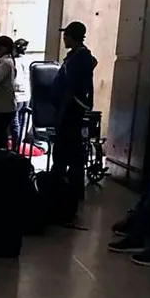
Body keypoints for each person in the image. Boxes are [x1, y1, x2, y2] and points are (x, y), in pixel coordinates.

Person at [51, 21, 98, 202]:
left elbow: (71, 88)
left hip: (71, 110)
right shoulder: (78, 55)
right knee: (70, 150)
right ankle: (64, 186)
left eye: (66, 36)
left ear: (71, 36)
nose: (64, 39)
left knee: (65, 151)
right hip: (69, 109)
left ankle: (61, 188)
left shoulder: (80, 57)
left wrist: (61, 113)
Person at [12, 38, 31, 147]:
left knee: (15, 122)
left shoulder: (15, 62)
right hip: (27, 95)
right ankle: (20, 143)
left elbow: (16, 81)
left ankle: (16, 145)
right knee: (23, 121)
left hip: (17, 95)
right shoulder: (28, 60)